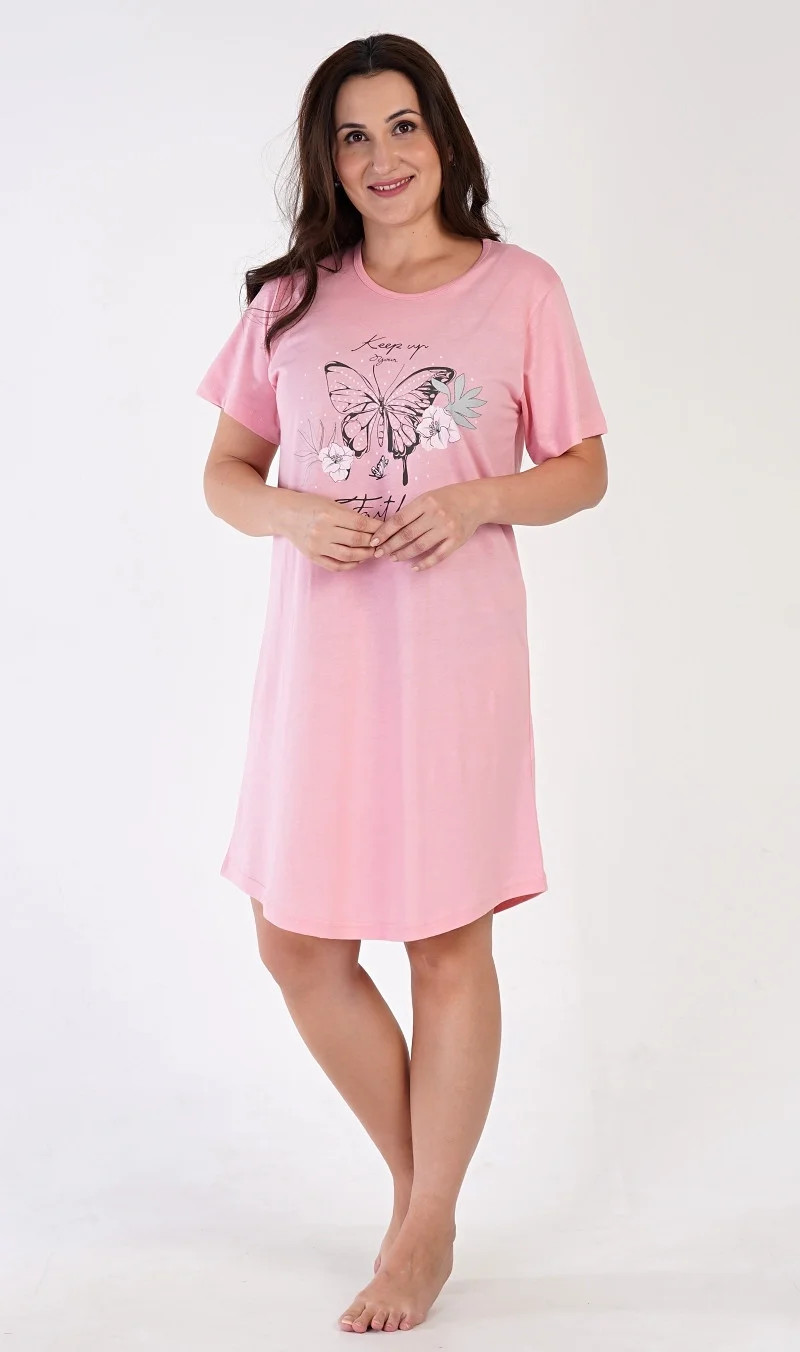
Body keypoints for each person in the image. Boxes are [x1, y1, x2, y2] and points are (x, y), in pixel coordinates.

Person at [196, 32, 608, 1335]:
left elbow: (585, 470)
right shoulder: (291, 301)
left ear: (444, 137)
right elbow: (225, 474)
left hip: (454, 658)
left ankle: (422, 1228)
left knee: (445, 936)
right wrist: (291, 515)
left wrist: (480, 497)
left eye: (404, 126)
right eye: (354, 135)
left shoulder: (520, 289)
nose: (382, 157)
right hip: (321, 662)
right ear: (328, 159)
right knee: (295, 942)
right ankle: (424, 1191)